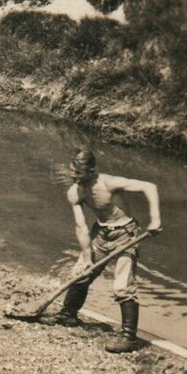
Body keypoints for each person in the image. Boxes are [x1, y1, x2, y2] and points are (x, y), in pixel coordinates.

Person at [43, 149, 162, 353]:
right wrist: (88, 258)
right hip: (101, 234)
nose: (74, 176)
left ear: (91, 170)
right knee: (81, 274)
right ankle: (68, 315)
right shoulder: (74, 192)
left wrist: (156, 218)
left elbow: (149, 186)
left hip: (126, 234)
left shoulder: (109, 182)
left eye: (78, 173)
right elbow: (80, 226)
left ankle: (129, 337)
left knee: (123, 286)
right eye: (72, 171)